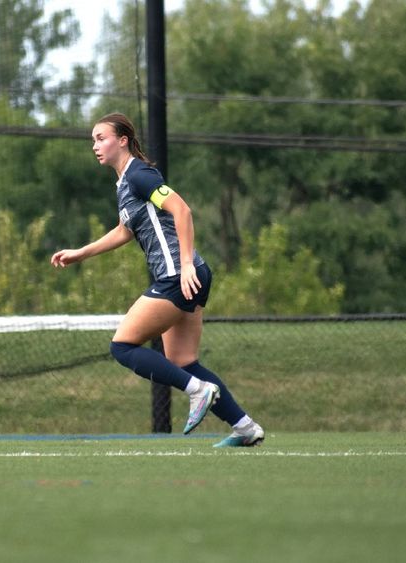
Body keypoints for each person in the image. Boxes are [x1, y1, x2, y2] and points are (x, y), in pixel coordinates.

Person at [50, 112, 264, 447]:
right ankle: (245, 427)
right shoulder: (124, 184)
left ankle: (199, 391)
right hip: (188, 275)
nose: (95, 145)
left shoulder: (139, 174)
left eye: (101, 137)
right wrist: (81, 253)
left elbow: (182, 209)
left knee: (122, 346)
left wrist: (186, 265)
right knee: (183, 361)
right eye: (93, 139)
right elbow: (124, 231)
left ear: (123, 140)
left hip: (178, 275)